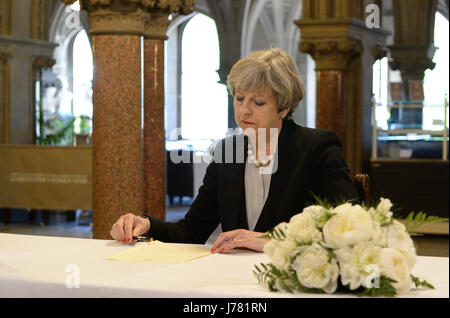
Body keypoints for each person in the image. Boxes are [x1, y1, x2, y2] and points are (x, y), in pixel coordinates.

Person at [110, 48, 359, 253]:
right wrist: (146, 225)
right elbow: (192, 231)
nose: (244, 111)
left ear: (284, 107)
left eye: (258, 102)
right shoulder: (228, 150)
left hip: (292, 282)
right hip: (234, 282)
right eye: (239, 98)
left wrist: (274, 240)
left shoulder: (317, 147)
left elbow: (348, 226)